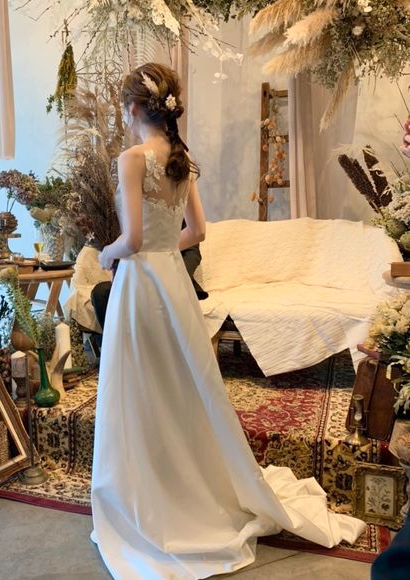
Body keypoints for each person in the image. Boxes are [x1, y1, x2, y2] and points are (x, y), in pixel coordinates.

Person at [90, 62, 366, 579]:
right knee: (182, 385)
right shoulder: (181, 158)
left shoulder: (132, 159)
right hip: (172, 280)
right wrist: (162, 249)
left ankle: (149, 489)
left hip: (141, 285)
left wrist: (108, 254)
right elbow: (197, 231)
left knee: (142, 385)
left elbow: (131, 240)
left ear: (133, 108)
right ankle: (195, 482)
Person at [91, 227, 207, 330]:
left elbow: (193, 252)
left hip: (170, 278)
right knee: (100, 292)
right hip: (132, 278)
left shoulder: (177, 211)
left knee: (151, 296)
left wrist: (173, 276)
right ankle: (112, 345)